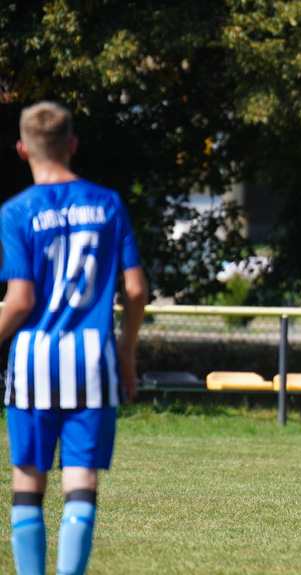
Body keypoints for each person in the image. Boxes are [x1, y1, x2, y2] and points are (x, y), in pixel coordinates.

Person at [1, 101, 147, 575]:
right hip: (93, 361)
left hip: (33, 361)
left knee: (28, 483)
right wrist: (125, 351)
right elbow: (137, 289)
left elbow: (20, 301)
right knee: (80, 484)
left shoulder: (16, 211)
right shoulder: (106, 203)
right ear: (73, 145)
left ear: (22, 149)